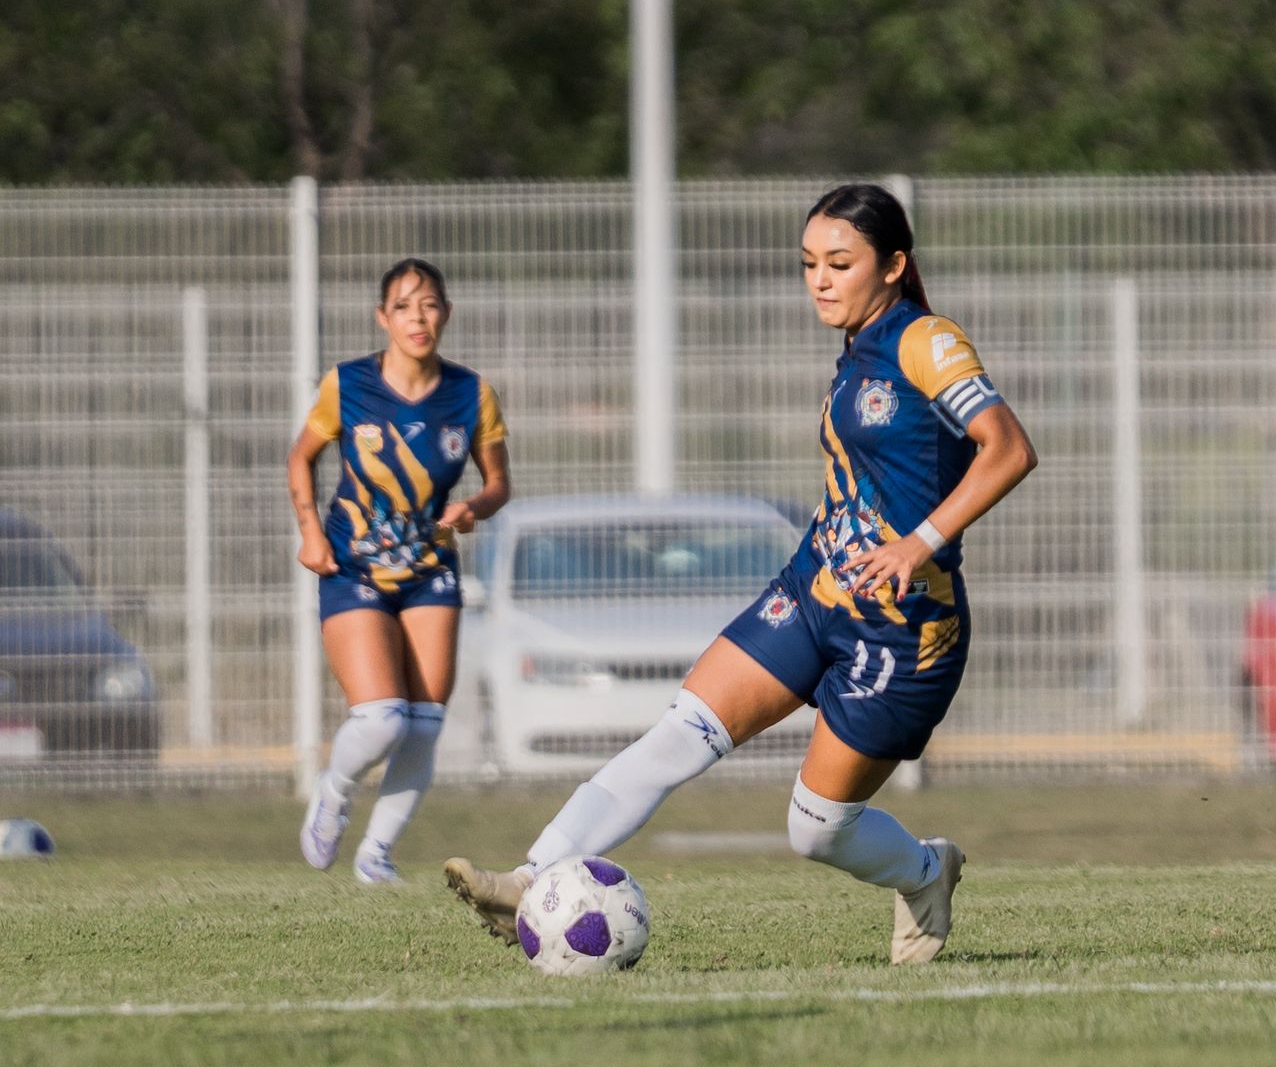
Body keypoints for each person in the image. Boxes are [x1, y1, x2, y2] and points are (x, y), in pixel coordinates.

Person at [443, 183, 1037, 963]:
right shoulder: (857, 346)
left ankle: (926, 872)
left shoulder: (927, 340)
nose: (820, 280)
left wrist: (916, 544)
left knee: (816, 829)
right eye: (809, 264)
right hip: (815, 590)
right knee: (679, 733)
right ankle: (529, 878)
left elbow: (1009, 450)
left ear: (893, 266)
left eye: (840, 263)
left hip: (903, 630)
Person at [287, 258, 511, 883]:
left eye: (431, 304)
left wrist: (474, 507)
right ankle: (333, 791)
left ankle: (375, 856)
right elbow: (300, 457)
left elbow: (498, 484)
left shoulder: (472, 395)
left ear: (446, 313)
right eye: (405, 305)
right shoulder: (347, 384)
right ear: (383, 317)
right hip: (353, 566)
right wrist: (309, 530)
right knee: (382, 717)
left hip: (429, 567)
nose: (419, 317)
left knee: (424, 721)